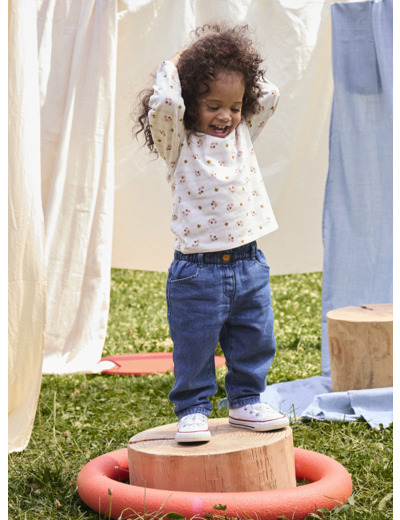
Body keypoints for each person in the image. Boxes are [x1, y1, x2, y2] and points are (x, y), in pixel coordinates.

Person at [135, 23, 289, 443]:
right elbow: (164, 101)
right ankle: (193, 408)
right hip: (196, 272)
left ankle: (246, 401)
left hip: (249, 262)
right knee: (194, 346)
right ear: (190, 102)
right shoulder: (178, 143)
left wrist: (232, 59)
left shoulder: (243, 134)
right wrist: (179, 62)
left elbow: (269, 94)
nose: (226, 116)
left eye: (235, 106)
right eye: (212, 105)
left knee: (254, 338)